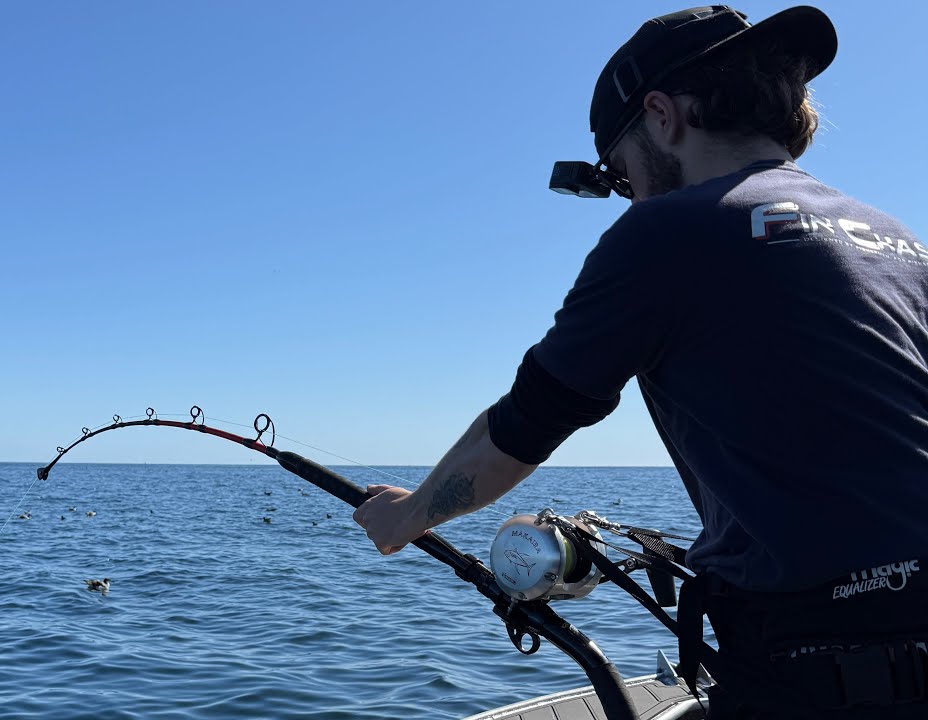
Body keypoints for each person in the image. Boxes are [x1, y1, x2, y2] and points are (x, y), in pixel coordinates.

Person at [352, 6, 928, 718]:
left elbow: (523, 428)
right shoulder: (894, 236)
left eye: (621, 175)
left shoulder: (669, 231)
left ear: (661, 115)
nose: (627, 193)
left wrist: (407, 517)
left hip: (819, 670)